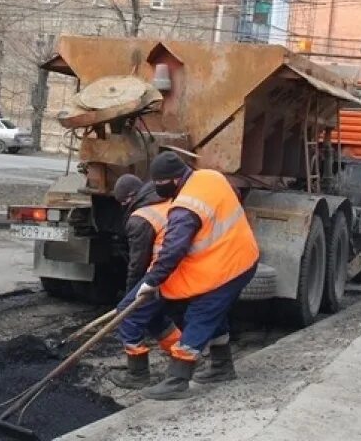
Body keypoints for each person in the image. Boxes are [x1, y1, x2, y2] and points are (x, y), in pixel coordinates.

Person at [117, 151, 259, 400]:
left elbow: (173, 250)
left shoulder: (184, 208)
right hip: (236, 254)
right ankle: (221, 367)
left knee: (201, 314)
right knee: (214, 313)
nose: (159, 189)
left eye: (161, 184)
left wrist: (151, 281)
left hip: (229, 265)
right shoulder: (210, 176)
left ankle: (177, 381)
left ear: (173, 180)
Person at [110, 173, 181, 389]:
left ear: (130, 197)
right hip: (179, 271)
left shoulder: (141, 218)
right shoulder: (163, 201)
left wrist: (132, 295)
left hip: (163, 274)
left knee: (128, 315)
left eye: (123, 203)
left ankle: (138, 374)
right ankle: (185, 358)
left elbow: (137, 264)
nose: (123, 207)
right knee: (154, 317)